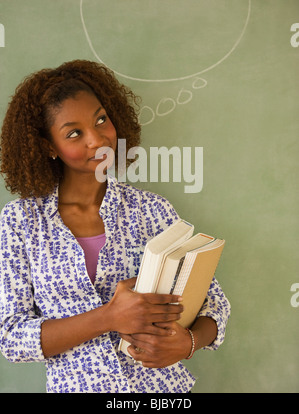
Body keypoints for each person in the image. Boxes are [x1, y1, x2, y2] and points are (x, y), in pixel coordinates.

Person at [0, 60, 230, 393]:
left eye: (101, 119)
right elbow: (10, 338)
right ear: (48, 146)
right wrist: (108, 317)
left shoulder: (151, 210)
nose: (98, 139)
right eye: (74, 133)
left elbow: (214, 304)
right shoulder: (20, 223)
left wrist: (188, 343)